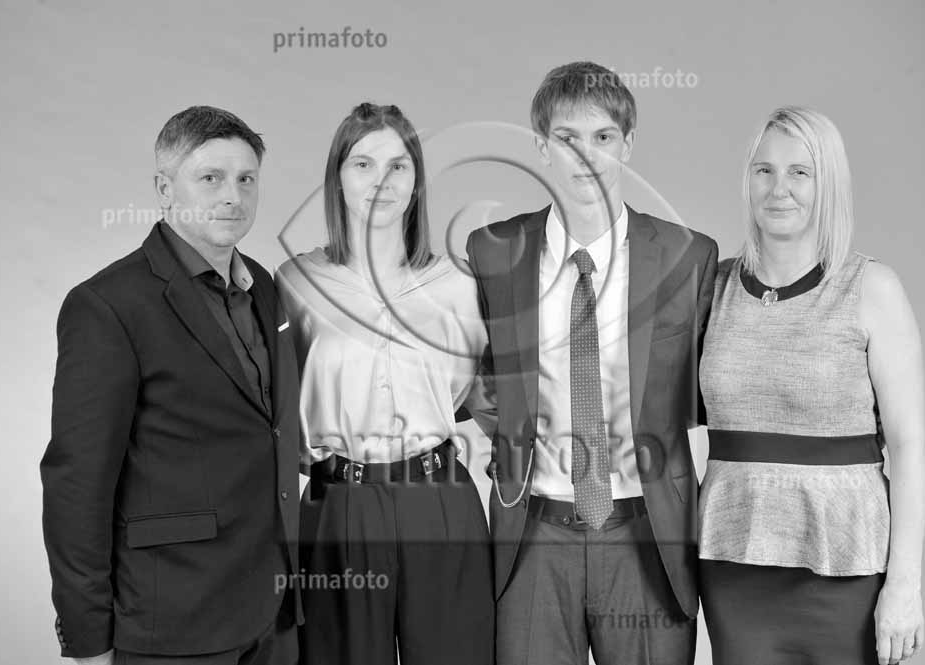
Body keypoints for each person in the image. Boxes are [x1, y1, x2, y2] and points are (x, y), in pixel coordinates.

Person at [466, 62, 718, 665]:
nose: (585, 156)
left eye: (603, 137)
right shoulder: (494, 251)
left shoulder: (687, 256)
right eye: (567, 138)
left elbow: (713, 388)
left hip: (648, 535)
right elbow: (474, 375)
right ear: (541, 148)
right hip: (532, 534)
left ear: (627, 144)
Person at [40, 106, 303, 665]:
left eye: (246, 179)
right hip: (172, 619)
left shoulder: (263, 286)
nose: (232, 196)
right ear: (164, 189)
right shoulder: (107, 306)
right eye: (211, 178)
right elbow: (77, 484)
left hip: (273, 613)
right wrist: (89, 639)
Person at [698, 106, 925, 665]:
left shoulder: (871, 288)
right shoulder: (712, 287)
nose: (779, 188)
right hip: (733, 564)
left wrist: (905, 585)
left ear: (829, 185)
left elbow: (910, 447)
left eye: (800, 172)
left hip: (846, 565)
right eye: (764, 170)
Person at [276, 102, 494, 665]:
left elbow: (477, 392)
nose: (382, 181)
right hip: (338, 503)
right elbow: (278, 400)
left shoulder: (459, 282)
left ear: (417, 182)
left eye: (398, 166)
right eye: (363, 164)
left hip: (439, 500)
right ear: (337, 178)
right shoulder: (295, 283)